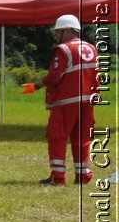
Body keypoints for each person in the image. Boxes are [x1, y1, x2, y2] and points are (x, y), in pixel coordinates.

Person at [31, 13, 99, 185]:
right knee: (83, 138)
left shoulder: (64, 50)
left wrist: (38, 84)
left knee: (57, 137)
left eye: (58, 32)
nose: (56, 36)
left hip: (66, 101)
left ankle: (58, 176)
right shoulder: (92, 48)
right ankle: (83, 175)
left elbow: (54, 77)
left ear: (67, 31)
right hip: (87, 101)